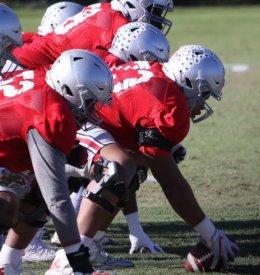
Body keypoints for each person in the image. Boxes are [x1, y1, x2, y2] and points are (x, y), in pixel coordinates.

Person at [46, 45, 239, 274]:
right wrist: (210, 233)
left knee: (132, 169)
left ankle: (90, 248)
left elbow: (143, 150)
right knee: (116, 168)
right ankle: (69, 259)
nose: (202, 104)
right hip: (69, 124)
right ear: (189, 82)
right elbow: (171, 183)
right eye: (204, 94)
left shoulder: (154, 71)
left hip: (82, 124)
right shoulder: (170, 104)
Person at [0, 49, 113, 275]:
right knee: (5, 205)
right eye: (90, 102)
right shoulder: (50, 113)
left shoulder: (45, 80)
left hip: (7, 158)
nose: (93, 111)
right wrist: (78, 261)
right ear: (70, 89)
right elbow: (57, 199)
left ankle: (7, 264)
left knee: (38, 195)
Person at [9, 0, 173, 71]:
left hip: (28, 59)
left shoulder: (107, 9)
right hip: (29, 67)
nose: (159, 19)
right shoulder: (115, 27)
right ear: (137, 5)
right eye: (156, 11)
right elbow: (117, 72)